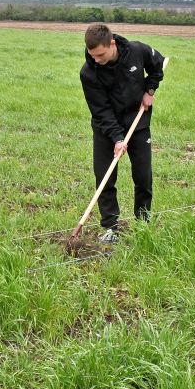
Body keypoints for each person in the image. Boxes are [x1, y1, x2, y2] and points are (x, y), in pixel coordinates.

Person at [80, 23, 165, 244]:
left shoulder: (137, 51)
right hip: (105, 128)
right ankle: (111, 228)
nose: (96, 59)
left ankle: (143, 223)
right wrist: (117, 138)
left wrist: (150, 90)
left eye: (100, 54)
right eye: (92, 55)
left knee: (143, 176)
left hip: (138, 123)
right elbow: (101, 111)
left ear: (112, 44)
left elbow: (158, 65)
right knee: (105, 177)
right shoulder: (89, 72)